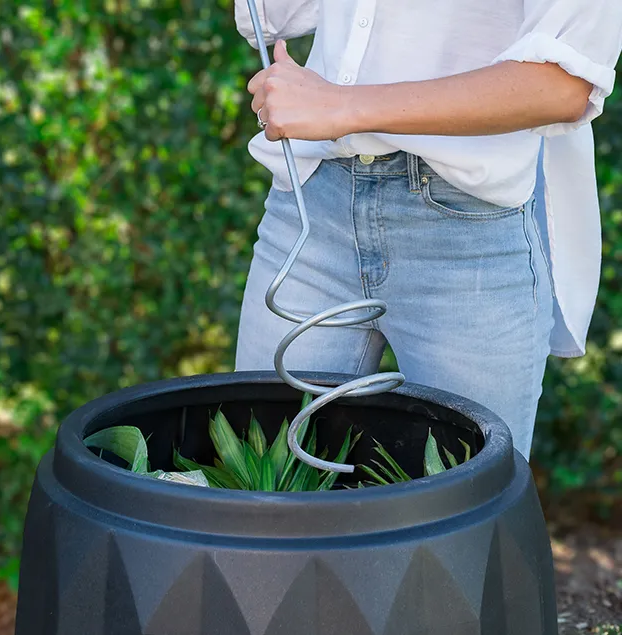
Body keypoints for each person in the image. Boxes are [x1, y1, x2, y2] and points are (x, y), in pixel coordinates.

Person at [232, 0, 622, 458]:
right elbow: (274, 15)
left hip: (466, 237)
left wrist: (341, 106)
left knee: (464, 510)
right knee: (263, 496)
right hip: (311, 206)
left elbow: (562, 84)